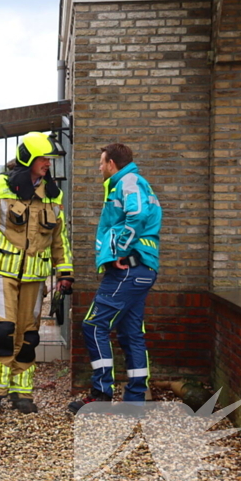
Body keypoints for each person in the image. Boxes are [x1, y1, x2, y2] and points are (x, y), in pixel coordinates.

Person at [0, 133, 74, 414]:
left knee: (29, 335)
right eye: (43, 159)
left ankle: (21, 393)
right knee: (3, 330)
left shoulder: (53, 194)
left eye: (49, 160)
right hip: (1, 274)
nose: (48, 164)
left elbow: (60, 238)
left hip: (36, 278)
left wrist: (65, 271)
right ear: (28, 159)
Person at [69, 144, 162, 413]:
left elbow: (138, 214)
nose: (99, 168)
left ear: (111, 163)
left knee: (93, 325)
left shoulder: (128, 181)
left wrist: (121, 250)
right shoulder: (130, 182)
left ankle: (100, 393)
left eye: (101, 162)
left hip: (129, 269)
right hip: (141, 269)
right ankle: (135, 399)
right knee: (131, 332)